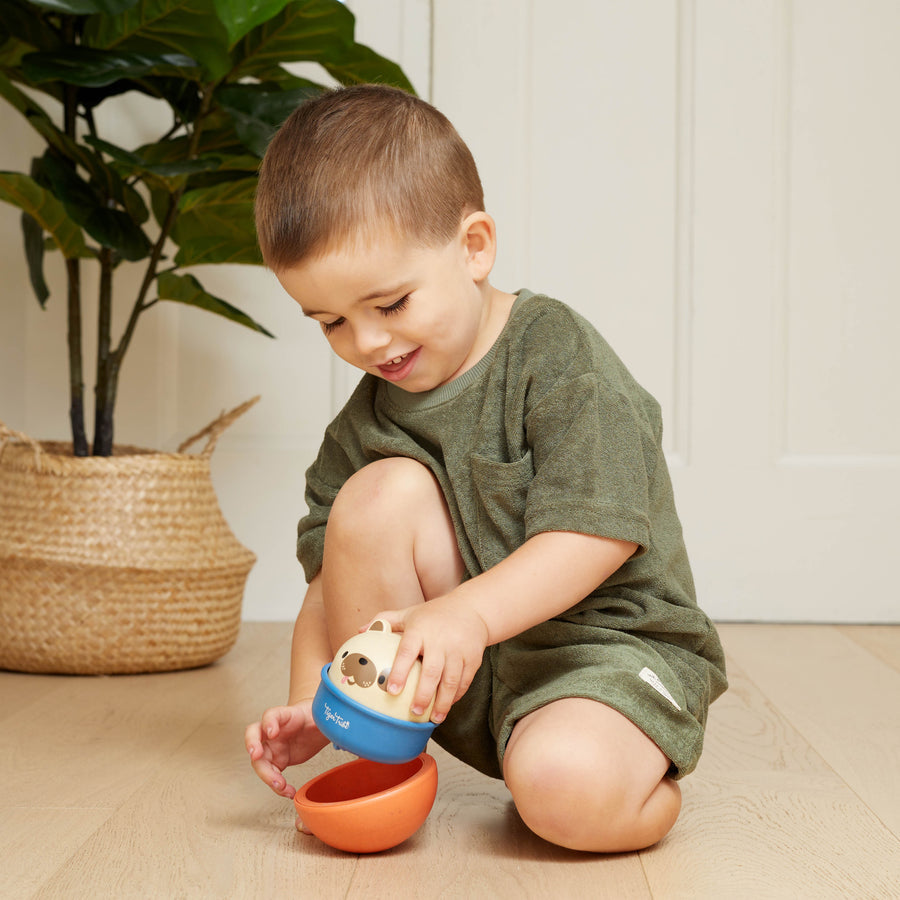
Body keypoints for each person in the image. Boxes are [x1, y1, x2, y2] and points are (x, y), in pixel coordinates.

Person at [245, 84, 727, 853]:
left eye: (390, 304)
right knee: (369, 501)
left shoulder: (562, 362)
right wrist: (317, 702)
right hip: (468, 672)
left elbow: (596, 535)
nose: (367, 343)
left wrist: (466, 614)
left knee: (563, 791)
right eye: (331, 321)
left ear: (474, 247)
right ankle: (416, 736)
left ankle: (634, 779)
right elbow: (326, 585)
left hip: (608, 651)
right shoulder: (368, 420)